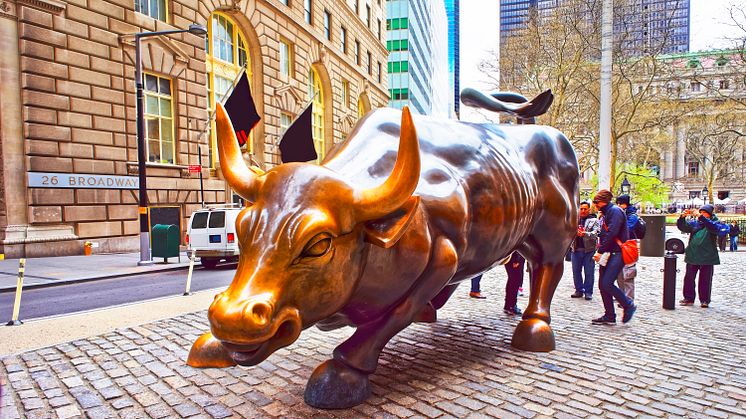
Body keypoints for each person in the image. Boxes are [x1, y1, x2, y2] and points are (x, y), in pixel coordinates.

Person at [591, 189, 637, 325]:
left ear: (602, 201)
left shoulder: (615, 212)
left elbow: (612, 233)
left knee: (607, 283)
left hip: (617, 252)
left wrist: (600, 250)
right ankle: (609, 315)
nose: (595, 205)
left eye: (596, 202)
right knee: (602, 284)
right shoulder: (608, 212)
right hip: (610, 252)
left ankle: (628, 305)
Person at [677, 205, 720, 308]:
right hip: (693, 255)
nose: (701, 214)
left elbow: (713, 228)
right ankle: (688, 298)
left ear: (709, 214)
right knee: (689, 278)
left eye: (704, 213)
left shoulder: (715, 223)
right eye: (701, 212)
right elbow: (684, 227)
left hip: (707, 257)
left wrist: (702, 218)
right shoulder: (696, 223)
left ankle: (704, 300)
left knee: (705, 280)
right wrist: (682, 218)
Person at [569, 201, 599, 300]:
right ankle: (578, 290)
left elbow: (596, 233)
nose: (582, 211)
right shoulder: (574, 219)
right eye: (581, 209)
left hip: (589, 250)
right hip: (576, 249)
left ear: (589, 210)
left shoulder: (594, 220)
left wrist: (584, 234)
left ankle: (588, 292)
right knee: (576, 271)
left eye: (585, 209)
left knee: (589, 272)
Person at [615, 194, 639, 304]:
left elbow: (628, 228)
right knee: (619, 274)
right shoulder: (619, 214)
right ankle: (621, 296)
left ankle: (629, 299)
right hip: (619, 246)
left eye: (621, 203)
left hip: (629, 246)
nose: (619, 205)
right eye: (618, 203)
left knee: (628, 274)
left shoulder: (632, 215)